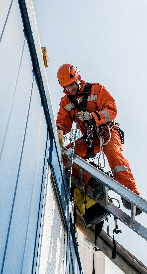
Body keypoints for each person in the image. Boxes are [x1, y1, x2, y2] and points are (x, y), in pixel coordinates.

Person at [55, 63, 140, 216]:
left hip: (107, 132)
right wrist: (59, 130)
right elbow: (63, 120)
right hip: (89, 138)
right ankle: (94, 183)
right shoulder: (66, 102)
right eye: (67, 87)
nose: (71, 89)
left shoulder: (96, 89)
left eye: (72, 84)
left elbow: (111, 110)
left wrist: (93, 117)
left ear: (77, 78)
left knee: (113, 154)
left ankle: (130, 194)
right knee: (65, 156)